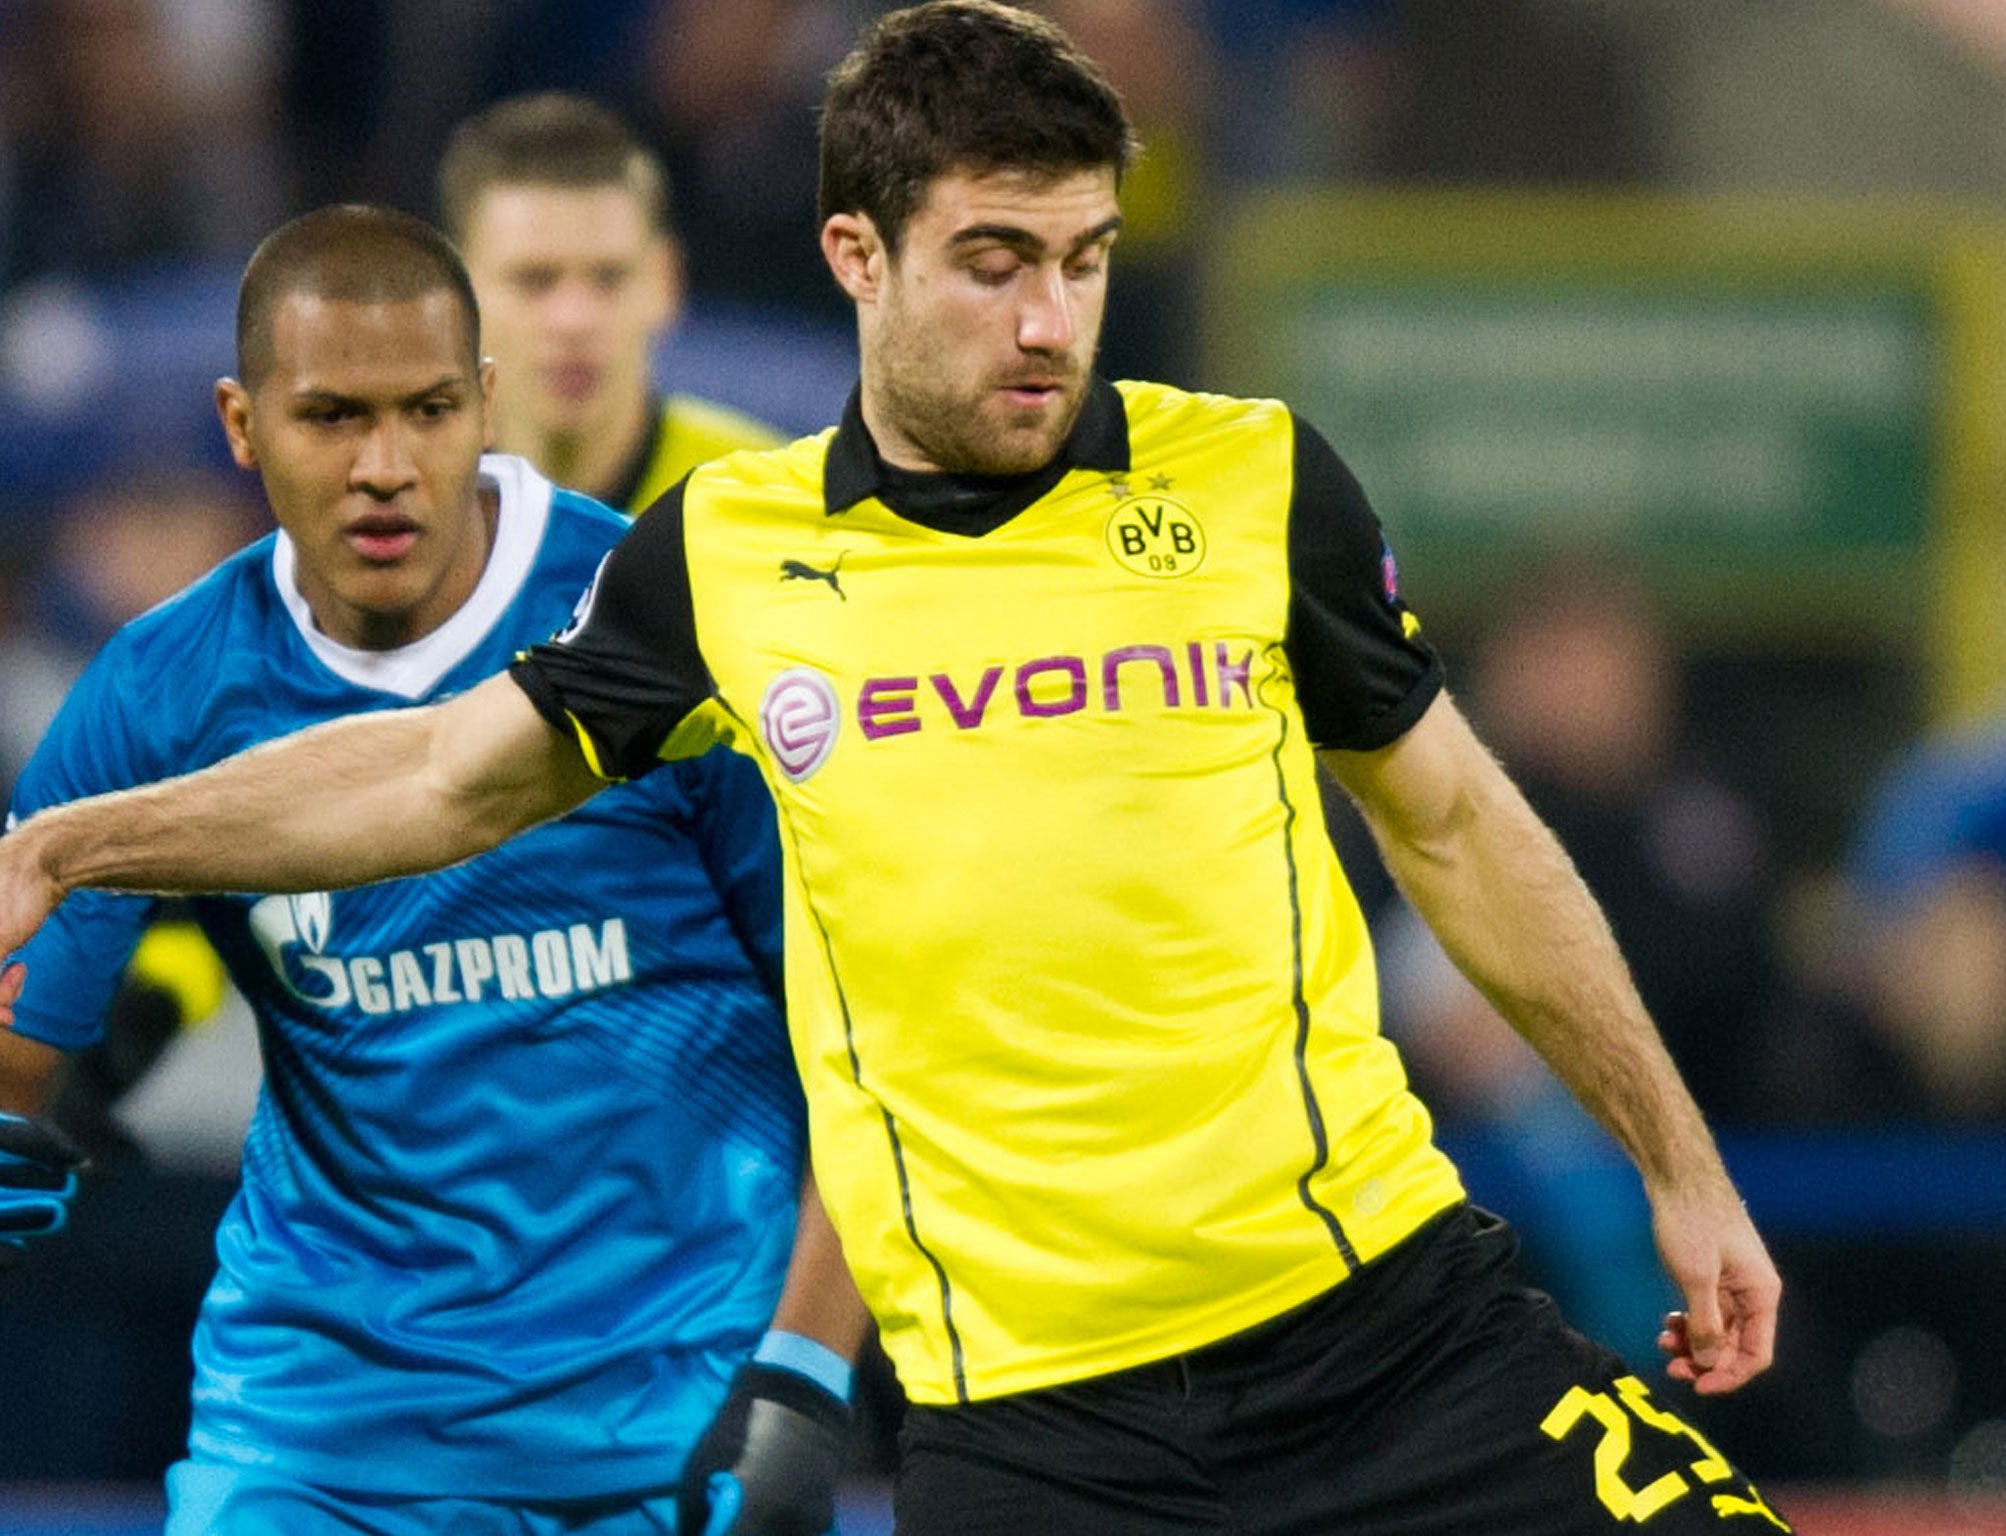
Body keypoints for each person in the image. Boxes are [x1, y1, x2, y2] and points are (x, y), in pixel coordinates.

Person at [0, 7, 1795, 1532]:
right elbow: (431, 783)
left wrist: (1678, 1162)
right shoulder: (725, 557)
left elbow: (1460, 825)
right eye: (993, 262)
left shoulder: (1252, 482)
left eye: (1083, 259)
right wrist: (79, 842)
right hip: (1035, 1441)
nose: (1048, 322)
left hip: (1391, 1334)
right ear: (859, 255)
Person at [0, 204, 870, 1536]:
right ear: (241, 426)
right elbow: (23, 1060)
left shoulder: (668, 630)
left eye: (427, 411)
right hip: (312, 1445)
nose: (387, 467)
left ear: (487, 406)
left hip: (659, 1443)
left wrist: (805, 1376)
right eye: (333, 417)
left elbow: (872, 1043)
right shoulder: (159, 696)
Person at [439, 90, 783, 515]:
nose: (574, 320)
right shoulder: (395, 510)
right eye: (534, 281)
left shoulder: (770, 505)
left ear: (667, 282)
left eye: (609, 278)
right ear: (454, 297)